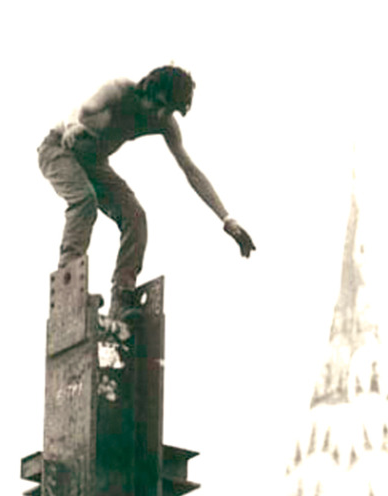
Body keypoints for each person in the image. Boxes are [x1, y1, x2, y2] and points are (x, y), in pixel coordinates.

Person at [38, 66, 256, 319]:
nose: (160, 114)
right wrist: (74, 125)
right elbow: (81, 110)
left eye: (170, 110)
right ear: (147, 89)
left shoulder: (164, 123)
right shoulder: (119, 90)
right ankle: (68, 287)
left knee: (135, 215)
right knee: (85, 200)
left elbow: (191, 171)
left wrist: (227, 219)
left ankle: (122, 297)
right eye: (159, 104)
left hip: (94, 163)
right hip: (58, 150)